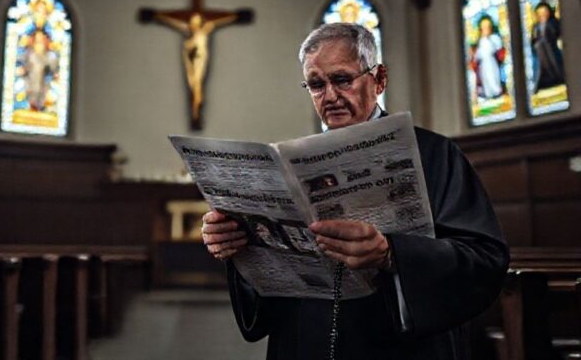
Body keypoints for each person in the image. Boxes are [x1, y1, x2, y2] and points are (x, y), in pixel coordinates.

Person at [201, 23, 509, 360]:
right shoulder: (288, 167)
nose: (330, 96)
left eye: (342, 79)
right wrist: (237, 244)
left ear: (379, 80)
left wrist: (393, 253)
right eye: (317, 85)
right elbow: (269, 286)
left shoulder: (435, 154)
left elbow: (485, 260)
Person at [470, 15, 505, 99]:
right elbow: (478, 54)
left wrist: (488, 39)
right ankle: (488, 95)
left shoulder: (494, 38)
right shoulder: (480, 41)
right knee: (485, 79)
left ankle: (497, 93)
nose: (485, 29)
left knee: (493, 78)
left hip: (491, 62)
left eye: (487, 27)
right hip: (483, 65)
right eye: (483, 27)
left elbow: (497, 47)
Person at [531, 2, 564, 91]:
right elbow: (533, 40)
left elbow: (558, 34)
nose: (543, 15)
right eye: (540, 13)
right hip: (541, 53)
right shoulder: (536, 27)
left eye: (544, 12)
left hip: (553, 49)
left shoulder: (553, 22)